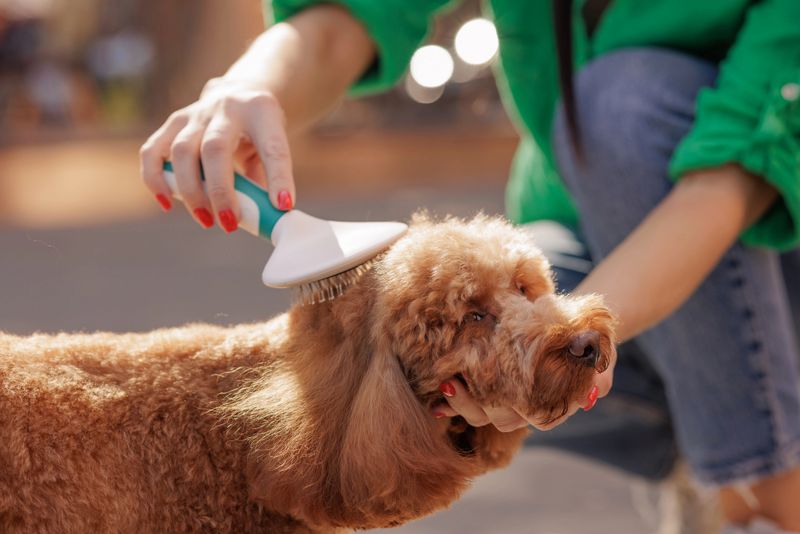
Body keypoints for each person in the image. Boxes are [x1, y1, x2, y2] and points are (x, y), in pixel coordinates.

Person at [139, 1, 800, 532]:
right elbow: (350, 19)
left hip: (766, 234)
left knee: (622, 103)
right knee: (440, 350)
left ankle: (764, 489)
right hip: (595, 240)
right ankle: (719, 454)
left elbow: (728, 184)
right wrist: (250, 88)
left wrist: (575, 331)